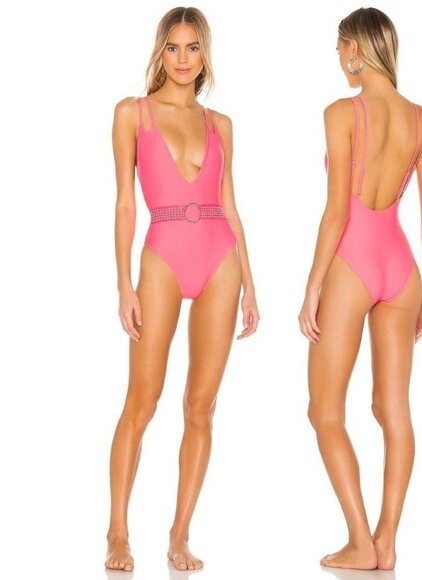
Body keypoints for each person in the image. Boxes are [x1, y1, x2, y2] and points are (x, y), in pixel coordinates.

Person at [106, 7, 259, 572]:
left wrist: (251, 285)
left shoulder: (221, 124)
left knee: (201, 406)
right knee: (142, 401)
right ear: (159, 52)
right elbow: (125, 204)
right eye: (173, 47)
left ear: (205, 54)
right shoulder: (133, 113)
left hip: (221, 260)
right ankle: (117, 531)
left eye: (193, 48)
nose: (183, 59)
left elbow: (231, 206)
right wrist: (124, 284)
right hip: (162, 256)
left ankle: (179, 535)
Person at [299, 7, 422, 571]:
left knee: (324, 411)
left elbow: (336, 211)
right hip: (402, 267)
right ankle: (386, 539)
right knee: (393, 409)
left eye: (340, 48)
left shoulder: (342, 112)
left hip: (352, 263)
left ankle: (360, 541)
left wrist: (312, 286)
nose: (338, 58)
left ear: (356, 49)